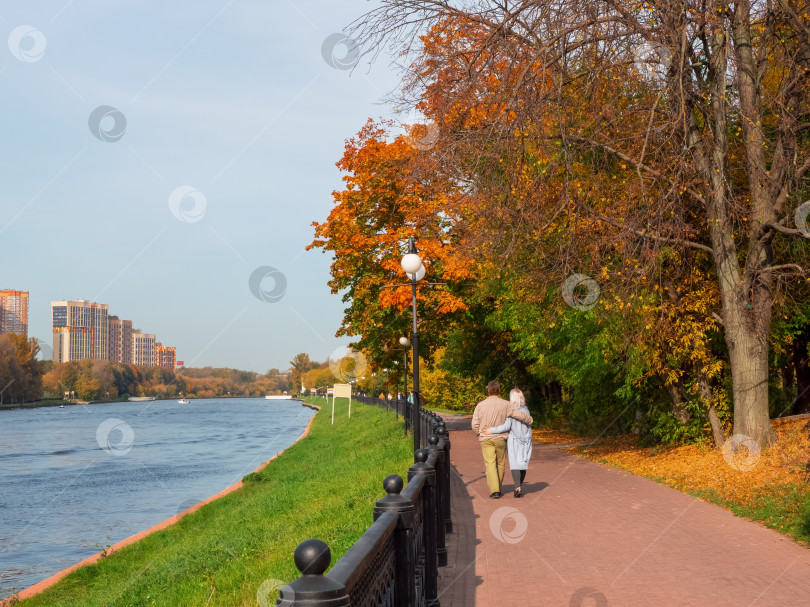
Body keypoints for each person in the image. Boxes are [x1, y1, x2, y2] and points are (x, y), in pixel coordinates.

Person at [471, 380, 532, 498]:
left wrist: (479, 433)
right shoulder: (506, 404)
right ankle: (498, 486)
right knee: (500, 463)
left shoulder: (480, 405)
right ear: (499, 391)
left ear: (488, 391)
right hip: (501, 438)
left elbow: (475, 424)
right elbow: (517, 414)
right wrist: (529, 419)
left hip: (486, 438)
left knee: (490, 463)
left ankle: (495, 491)